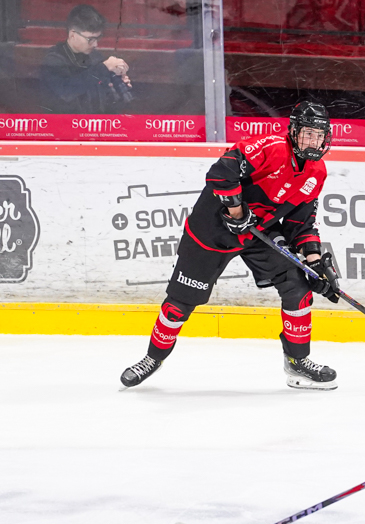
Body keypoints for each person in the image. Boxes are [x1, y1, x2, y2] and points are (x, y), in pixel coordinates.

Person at [120, 101, 341, 391]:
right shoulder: (271, 147)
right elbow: (220, 172)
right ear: (294, 131)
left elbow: (300, 224)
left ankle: (298, 364)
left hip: (258, 234)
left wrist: (313, 260)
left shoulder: (317, 172)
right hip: (211, 231)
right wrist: (236, 212)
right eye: (307, 134)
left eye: (319, 135)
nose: (313, 141)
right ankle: (152, 358)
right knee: (179, 305)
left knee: (298, 287)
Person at [40, 4, 132, 114]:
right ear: (73, 35)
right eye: (90, 39)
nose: (96, 44)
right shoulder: (54, 60)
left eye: (98, 38)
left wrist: (119, 86)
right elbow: (67, 92)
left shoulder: (95, 56)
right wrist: (104, 68)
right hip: (64, 125)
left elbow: (104, 103)